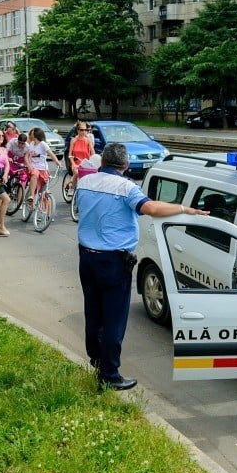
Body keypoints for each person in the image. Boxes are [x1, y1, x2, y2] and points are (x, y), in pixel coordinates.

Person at [75, 143, 208, 391]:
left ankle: (96, 358)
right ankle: (110, 374)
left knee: (93, 311)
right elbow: (152, 208)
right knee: (114, 317)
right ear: (125, 166)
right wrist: (185, 209)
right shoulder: (126, 188)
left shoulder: (85, 182)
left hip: (87, 258)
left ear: (102, 163)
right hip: (114, 261)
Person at [25, 127, 61, 206]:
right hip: (34, 168)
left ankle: (48, 215)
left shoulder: (42, 144)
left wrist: (58, 163)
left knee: (44, 193)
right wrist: (29, 165)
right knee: (34, 175)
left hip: (43, 169)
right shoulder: (31, 144)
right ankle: (31, 196)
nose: (31, 134)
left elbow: (51, 154)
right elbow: (26, 156)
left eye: (33, 133)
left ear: (36, 134)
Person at [67, 121, 96, 191]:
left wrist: (95, 160)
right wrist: (73, 164)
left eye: (85, 130)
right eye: (81, 130)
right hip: (76, 163)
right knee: (77, 173)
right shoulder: (73, 140)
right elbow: (70, 155)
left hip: (85, 164)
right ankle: (72, 189)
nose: (84, 131)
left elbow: (93, 153)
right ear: (78, 130)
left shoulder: (88, 141)